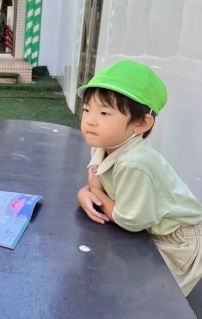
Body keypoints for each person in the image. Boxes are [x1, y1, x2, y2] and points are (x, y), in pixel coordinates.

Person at [76, 60, 202, 296]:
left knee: (147, 298)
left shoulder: (136, 163)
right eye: (86, 109)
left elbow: (129, 220)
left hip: (177, 241)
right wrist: (86, 192)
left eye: (104, 112)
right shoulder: (105, 142)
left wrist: (96, 193)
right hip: (149, 227)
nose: (90, 120)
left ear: (141, 123)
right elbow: (95, 181)